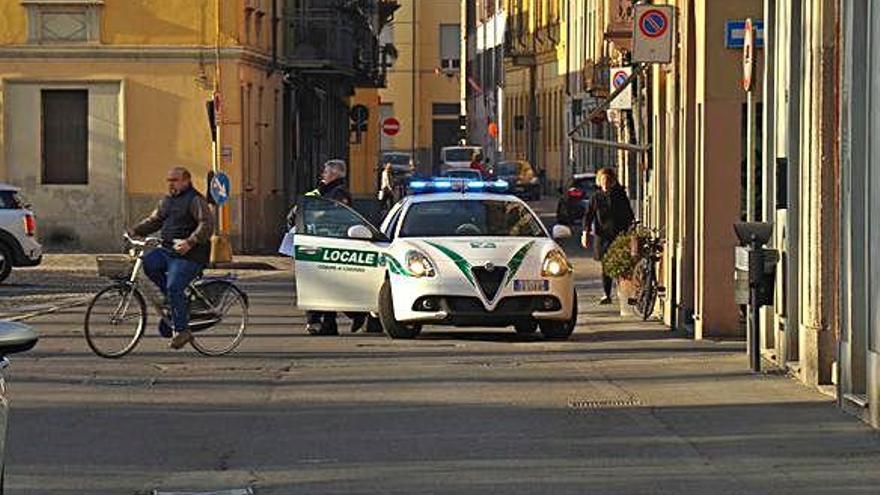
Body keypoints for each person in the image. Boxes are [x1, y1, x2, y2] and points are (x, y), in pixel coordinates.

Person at [130, 166, 214, 348]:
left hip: (190, 255)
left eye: (174, 180)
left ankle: (182, 330)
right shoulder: (167, 201)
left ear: (186, 180)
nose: (170, 184)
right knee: (149, 264)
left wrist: (190, 242)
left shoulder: (195, 200)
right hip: (168, 251)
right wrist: (136, 230)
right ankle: (173, 300)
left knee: (174, 286)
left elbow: (207, 224)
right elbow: (155, 220)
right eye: (169, 180)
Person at [305, 159, 367, 335]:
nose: (322, 175)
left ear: (333, 174)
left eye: (325, 172)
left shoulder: (338, 193)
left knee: (327, 283)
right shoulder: (324, 191)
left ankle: (354, 313)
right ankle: (329, 323)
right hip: (323, 241)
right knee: (325, 283)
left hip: (333, 242)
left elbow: (334, 215)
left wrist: (316, 214)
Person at [581, 167, 635, 305]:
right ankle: (607, 294)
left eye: (608, 180)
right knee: (606, 265)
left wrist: (630, 230)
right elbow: (588, 215)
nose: (606, 183)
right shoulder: (596, 197)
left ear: (612, 181)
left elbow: (628, 214)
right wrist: (585, 232)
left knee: (621, 264)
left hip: (618, 234)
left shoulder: (619, 195)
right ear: (600, 181)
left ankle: (624, 291)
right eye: (603, 180)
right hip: (602, 236)